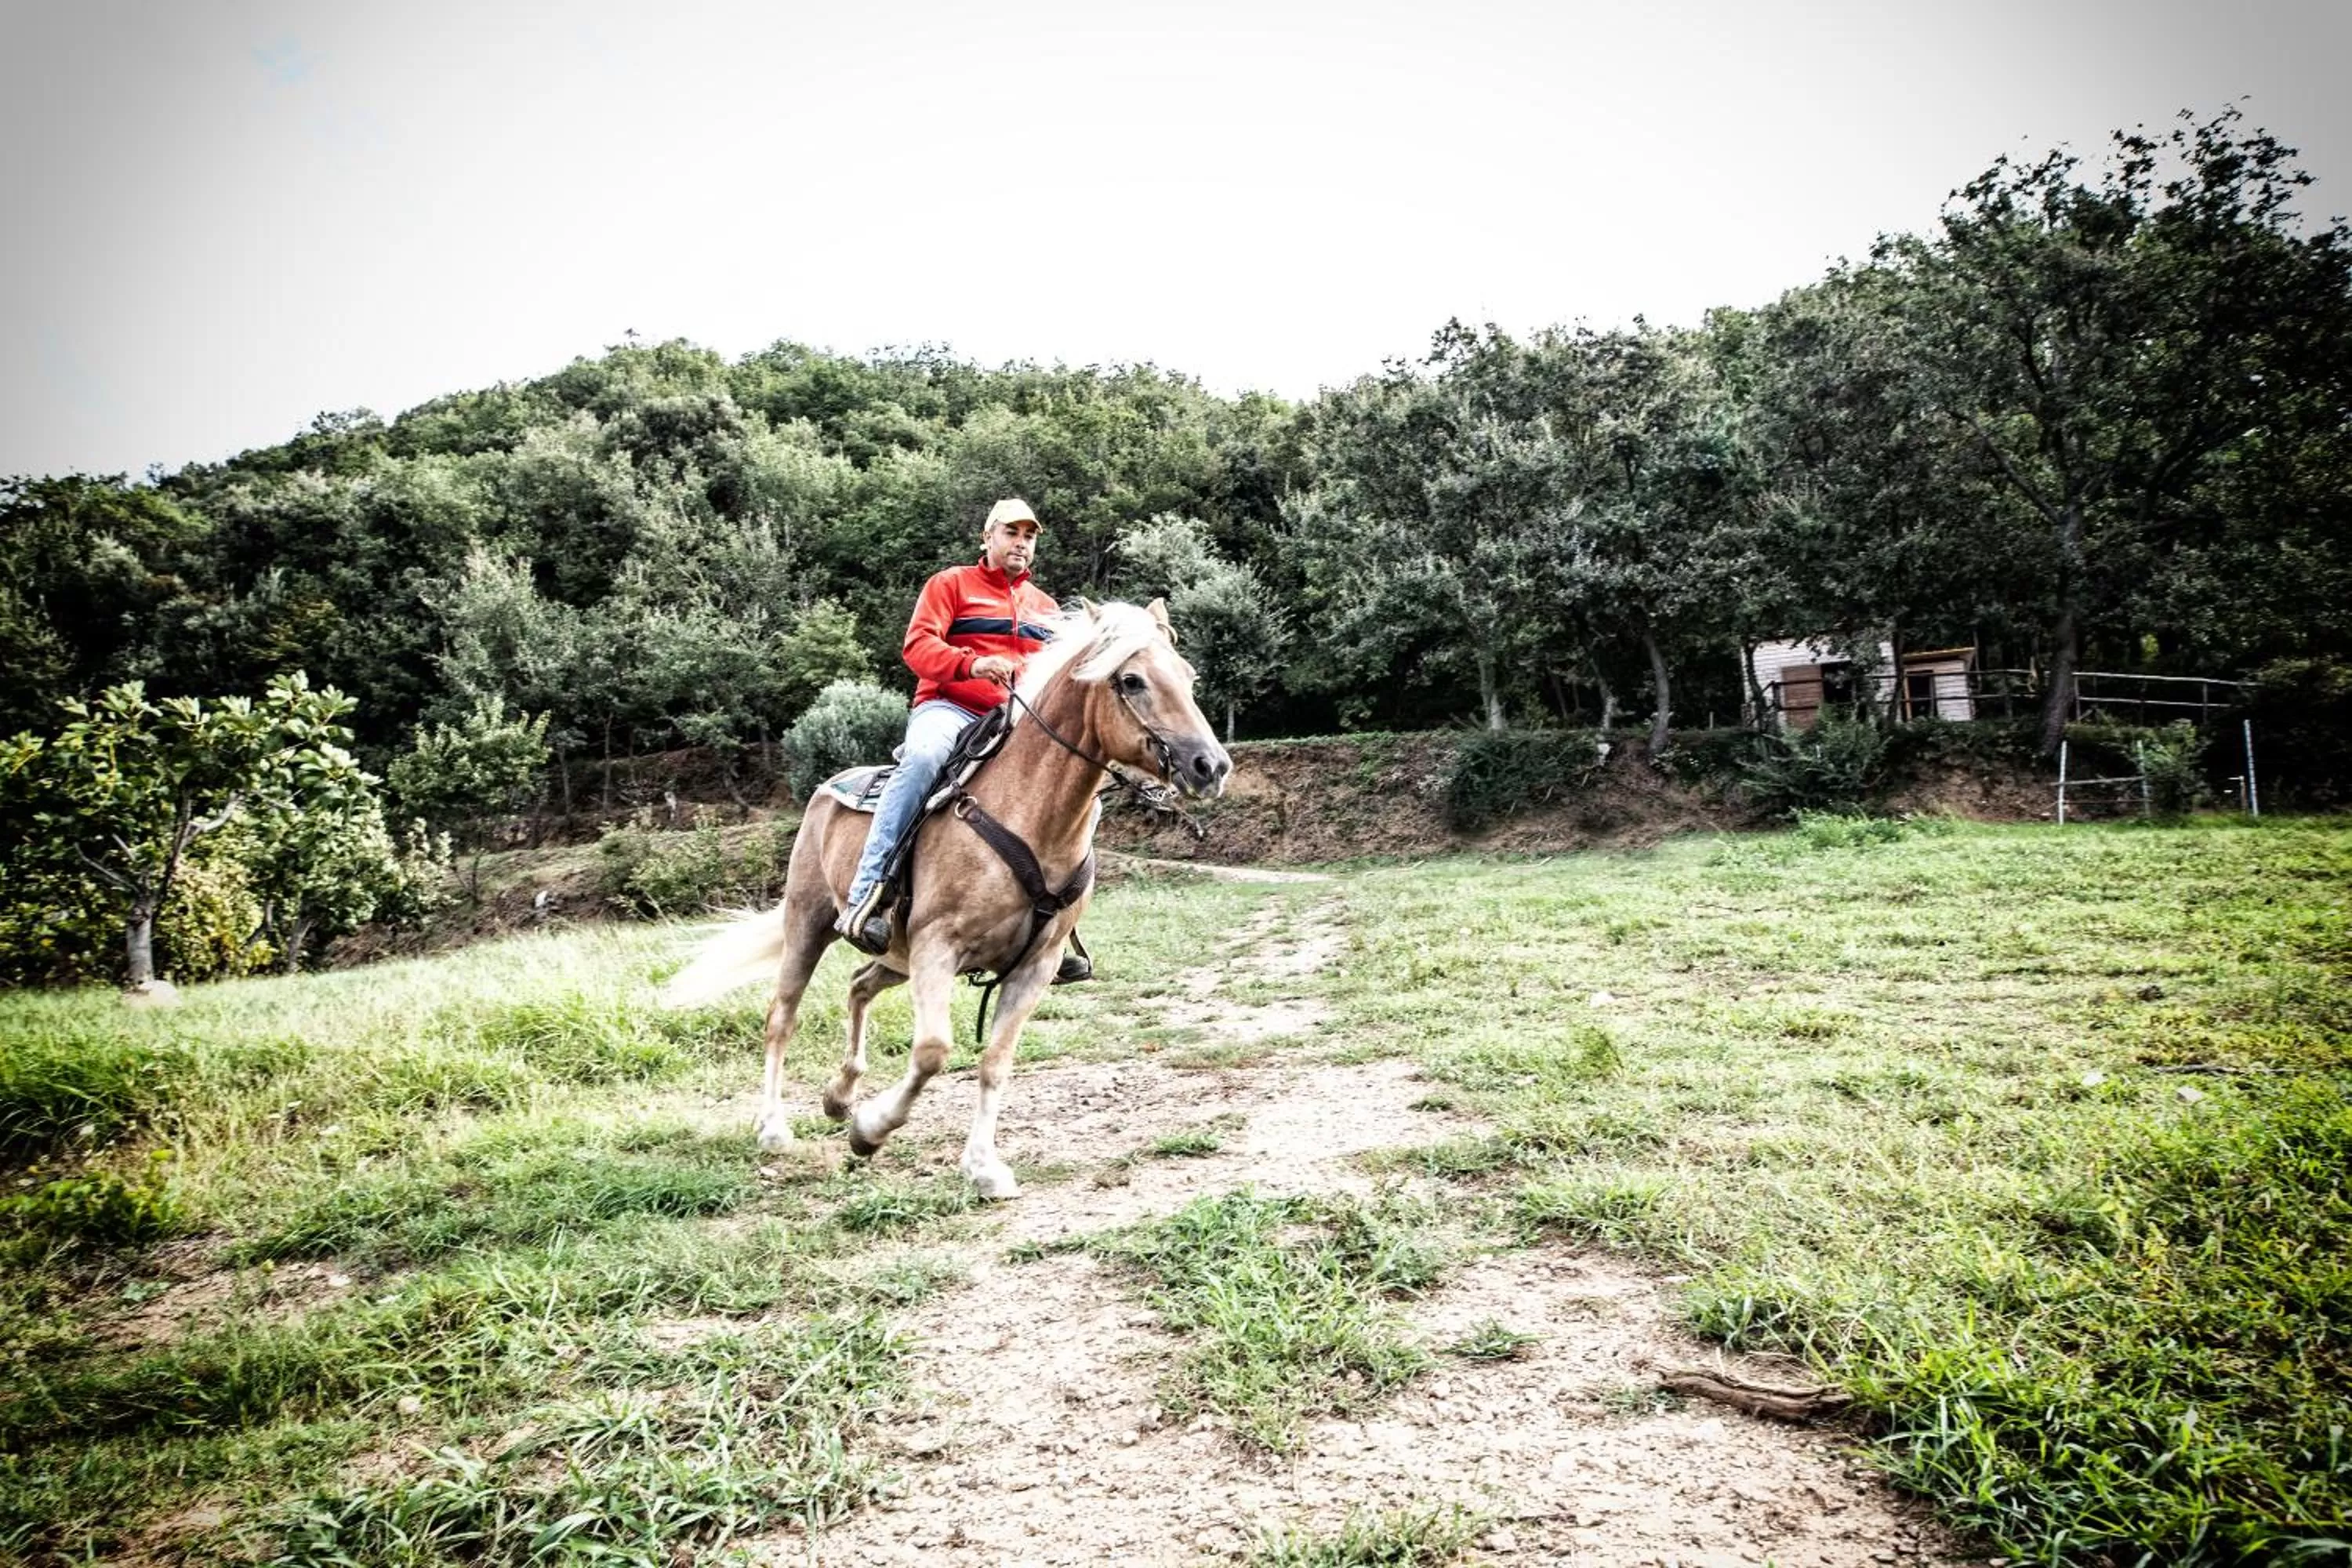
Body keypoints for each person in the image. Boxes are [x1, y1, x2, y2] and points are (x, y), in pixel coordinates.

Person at [836, 497, 1088, 982]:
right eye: (1011, 533)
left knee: (1076, 787)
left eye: (1029, 536)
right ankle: (867, 894)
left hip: (1017, 720)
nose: (1021, 543)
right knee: (924, 758)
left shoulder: (1046, 608)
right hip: (950, 707)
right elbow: (918, 646)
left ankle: (1058, 929)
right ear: (988, 537)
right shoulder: (950, 584)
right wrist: (971, 663)